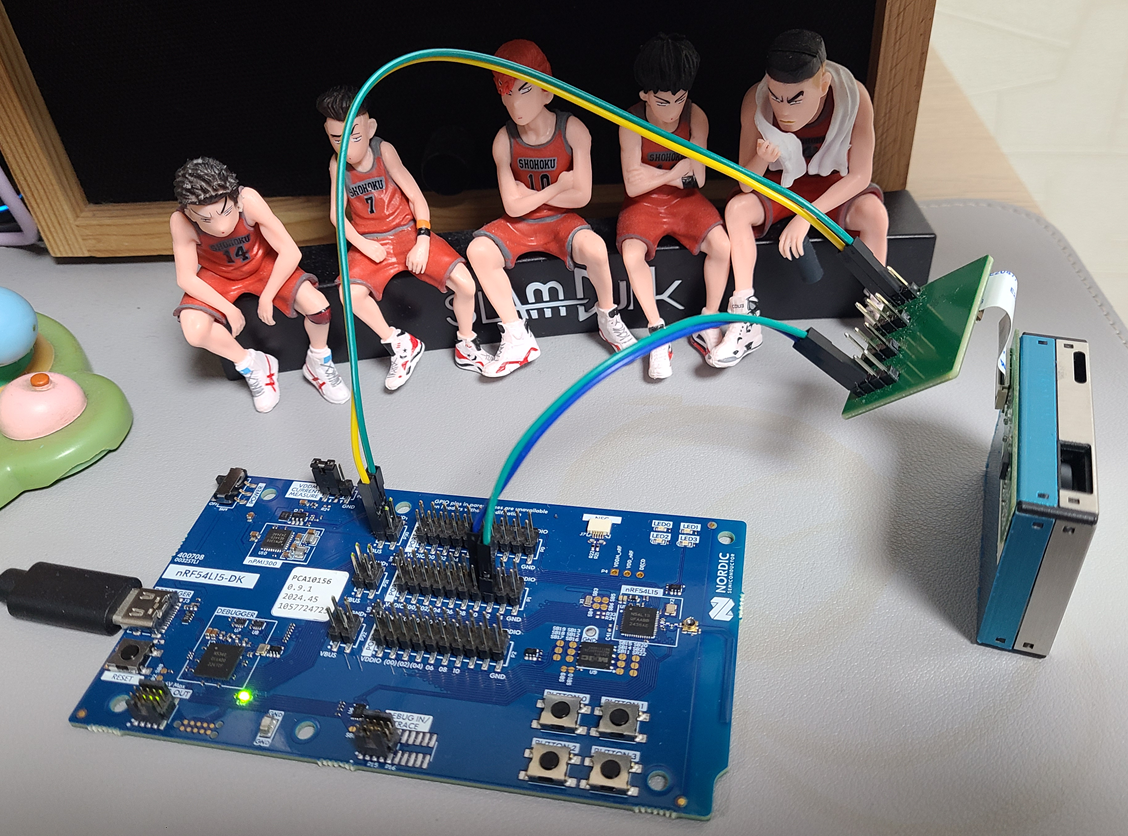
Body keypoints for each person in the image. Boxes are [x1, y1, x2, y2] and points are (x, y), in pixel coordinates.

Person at [466, 39, 636, 378]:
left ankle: (608, 317)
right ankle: (517, 337)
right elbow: (512, 207)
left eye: (524, 89)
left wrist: (530, 195)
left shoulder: (573, 129)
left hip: (561, 220)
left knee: (595, 248)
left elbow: (582, 196)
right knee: (478, 250)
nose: (515, 102)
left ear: (546, 90)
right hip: (521, 223)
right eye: (506, 91)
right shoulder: (503, 139)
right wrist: (558, 187)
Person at [719, 29, 888, 367]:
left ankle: (879, 307)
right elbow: (745, 183)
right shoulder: (756, 100)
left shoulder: (853, 97)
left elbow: (860, 175)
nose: (783, 109)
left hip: (831, 185)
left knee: (874, 214)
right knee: (737, 209)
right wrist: (761, 160)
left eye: (795, 99)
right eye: (776, 96)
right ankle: (744, 312)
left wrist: (806, 216)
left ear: (823, 85)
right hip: (781, 185)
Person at [317, 86, 491, 390]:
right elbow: (336, 215)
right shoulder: (336, 164)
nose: (345, 147)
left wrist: (422, 239)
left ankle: (466, 343)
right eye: (336, 138)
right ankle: (399, 343)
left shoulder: (383, 151)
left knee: (466, 283)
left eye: (353, 136)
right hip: (370, 239)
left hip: (406, 231)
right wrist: (363, 244)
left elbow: (416, 197)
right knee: (349, 294)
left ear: (370, 128)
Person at [170, 157, 349, 412]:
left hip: (262, 265)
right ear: (189, 212)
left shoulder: (250, 200)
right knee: (194, 331)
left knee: (319, 308)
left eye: (225, 212)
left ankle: (318, 360)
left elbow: (290, 251)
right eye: (206, 219)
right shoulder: (181, 221)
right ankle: (251, 364)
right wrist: (229, 309)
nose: (220, 226)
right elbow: (186, 277)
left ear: (236, 200)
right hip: (218, 275)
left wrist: (267, 295)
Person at [617, 33, 730, 379]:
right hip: (644, 204)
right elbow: (633, 185)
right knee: (631, 254)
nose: (672, 111)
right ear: (645, 95)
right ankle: (657, 332)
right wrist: (673, 173)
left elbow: (698, 179)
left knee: (722, 246)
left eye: (679, 100)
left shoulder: (696, 117)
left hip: (686, 202)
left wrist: (656, 175)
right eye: (663, 102)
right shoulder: (630, 121)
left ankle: (709, 321)